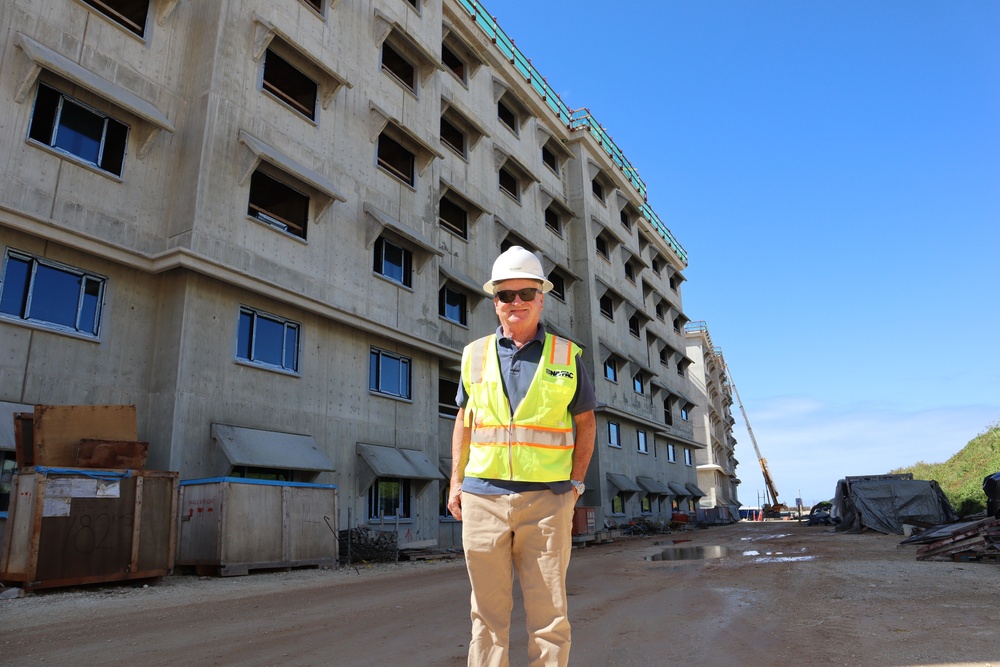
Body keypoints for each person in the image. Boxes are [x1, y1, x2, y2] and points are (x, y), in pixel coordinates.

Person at [448, 246, 597, 667]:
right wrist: (455, 482)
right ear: (494, 301)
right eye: (506, 294)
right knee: (486, 616)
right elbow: (464, 421)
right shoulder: (473, 354)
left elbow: (586, 424)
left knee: (550, 616)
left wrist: (574, 486)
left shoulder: (567, 357)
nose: (516, 303)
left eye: (525, 294)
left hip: (547, 501)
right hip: (483, 499)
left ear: (541, 298)